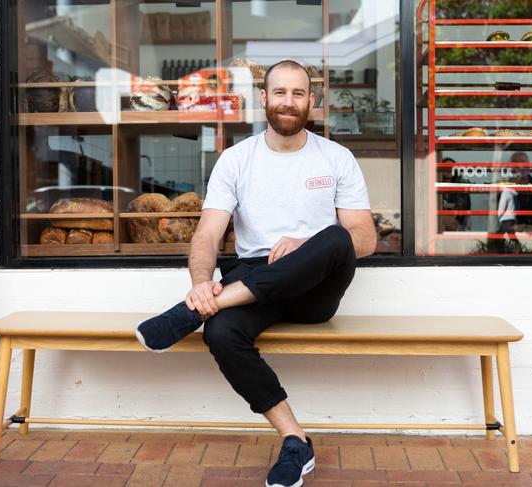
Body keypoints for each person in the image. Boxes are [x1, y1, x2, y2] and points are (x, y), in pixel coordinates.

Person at [135, 59, 377, 487]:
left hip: (315, 286)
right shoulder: (236, 159)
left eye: (298, 93)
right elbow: (208, 234)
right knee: (221, 333)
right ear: (264, 99)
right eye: (280, 92)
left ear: (312, 101)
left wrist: (306, 245)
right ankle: (295, 441)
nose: (289, 102)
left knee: (336, 237)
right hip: (256, 279)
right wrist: (200, 286)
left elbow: (364, 237)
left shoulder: (337, 158)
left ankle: (190, 313)